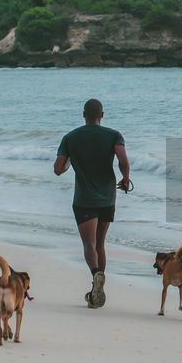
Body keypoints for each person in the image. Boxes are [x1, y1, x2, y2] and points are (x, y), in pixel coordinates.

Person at [54, 98, 130, 308]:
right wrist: (125, 179)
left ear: (84, 115)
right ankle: (99, 288)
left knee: (89, 245)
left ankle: (96, 274)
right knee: (100, 243)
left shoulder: (70, 137)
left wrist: (70, 160)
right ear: (102, 115)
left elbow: (58, 169)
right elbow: (123, 160)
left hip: (84, 199)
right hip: (107, 197)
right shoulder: (114, 135)